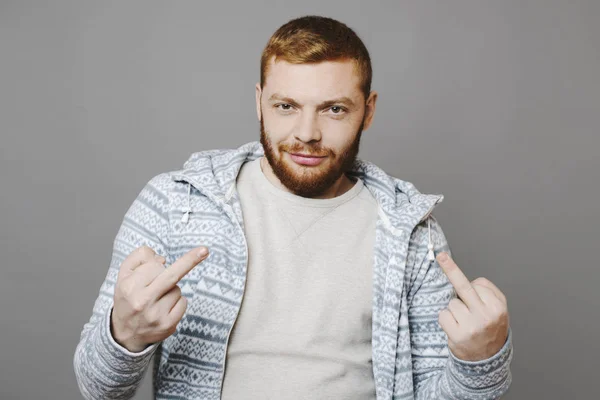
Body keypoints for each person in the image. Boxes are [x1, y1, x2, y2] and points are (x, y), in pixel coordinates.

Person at [73, 15, 513, 400]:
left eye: (334, 110)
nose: (307, 133)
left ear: (369, 110)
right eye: (286, 106)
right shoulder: (175, 203)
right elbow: (98, 389)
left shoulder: (411, 232)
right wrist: (124, 336)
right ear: (259, 103)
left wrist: (481, 362)